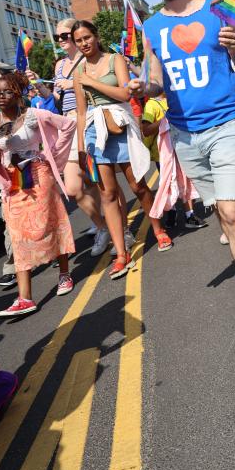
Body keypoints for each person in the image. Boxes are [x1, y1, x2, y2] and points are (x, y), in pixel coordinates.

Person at [130, 0, 235, 342]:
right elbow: (157, 78)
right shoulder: (152, 26)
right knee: (225, 216)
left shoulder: (217, 9)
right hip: (184, 134)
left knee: (232, 208)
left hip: (224, 123)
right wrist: (145, 86)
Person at [72, 20, 172, 279]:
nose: (83, 43)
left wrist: (92, 83)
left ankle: (159, 229)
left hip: (120, 124)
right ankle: (120, 254)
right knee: (108, 195)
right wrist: (82, 148)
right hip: (95, 131)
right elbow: (82, 113)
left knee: (138, 185)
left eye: (87, 37)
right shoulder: (79, 71)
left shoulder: (114, 59)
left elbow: (126, 94)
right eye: (78, 40)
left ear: (95, 36)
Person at [0, 71, 76, 318]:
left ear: (18, 93)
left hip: (39, 177)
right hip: (13, 183)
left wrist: (51, 155)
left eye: (6, 91)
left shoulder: (34, 116)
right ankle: (25, 298)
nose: (0, 96)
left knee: (51, 224)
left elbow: (69, 124)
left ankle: (64, 274)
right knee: (18, 236)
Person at [52, 19, 114, 257]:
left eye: (66, 35)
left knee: (103, 182)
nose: (62, 40)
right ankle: (103, 227)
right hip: (67, 125)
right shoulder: (59, 65)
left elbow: (103, 87)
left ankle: (122, 229)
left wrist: (73, 83)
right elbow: (57, 99)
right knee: (74, 188)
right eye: (58, 37)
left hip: (90, 120)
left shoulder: (90, 60)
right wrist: (49, 89)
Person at [141, 92, 207, 230]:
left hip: (183, 148)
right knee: (169, 183)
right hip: (164, 155)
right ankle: (171, 211)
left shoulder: (176, 98)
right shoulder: (151, 105)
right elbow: (146, 130)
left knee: (187, 181)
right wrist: (165, 120)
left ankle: (190, 215)